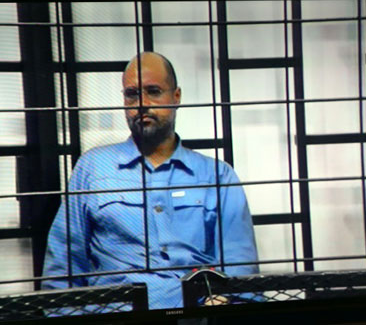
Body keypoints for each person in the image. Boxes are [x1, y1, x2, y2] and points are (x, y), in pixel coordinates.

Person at [42, 52, 258, 310]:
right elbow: (63, 269)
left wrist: (224, 307)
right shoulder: (92, 169)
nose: (142, 103)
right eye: (132, 94)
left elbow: (241, 272)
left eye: (153, 91)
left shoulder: (216, 176)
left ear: (176, 97)